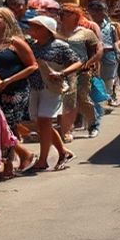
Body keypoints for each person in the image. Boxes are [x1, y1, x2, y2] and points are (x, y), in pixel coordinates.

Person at [0, 6, 38, 178]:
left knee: (9, 125)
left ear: (6, 20)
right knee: (0, 126)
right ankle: (23, 155)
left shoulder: (14, 42)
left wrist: (8, 81)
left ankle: (9, 166)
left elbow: (33, 65)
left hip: (15, 90)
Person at [27, 15, 81, 171]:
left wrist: (62, 73)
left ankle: (43, 160)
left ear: (47, 30)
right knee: (43, 124)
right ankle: (63, 152)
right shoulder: (32, 46)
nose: (32, 30)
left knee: (44, 121)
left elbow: (77, 61)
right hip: (35, 87)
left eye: (37, 27)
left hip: (52, 88)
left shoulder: (60, 45)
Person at [58, 3, 102, 139]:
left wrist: (90, 63)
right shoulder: (55, 32)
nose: (63, 15)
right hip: (63, 71)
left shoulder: (86, 33)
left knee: (82, 99)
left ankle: (93, 123)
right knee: (68, 99)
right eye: (62, 12)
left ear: (76, 15)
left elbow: (99, 50)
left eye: (67, 12)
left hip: (82, 72)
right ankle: (67, 130)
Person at [88, 0, 120, 103]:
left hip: (109, 55)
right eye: (99, 11)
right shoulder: (87, 26)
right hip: (92, 55)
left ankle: (105, 98)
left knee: (108, 79)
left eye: (104, 10)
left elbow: (117, 40)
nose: (103, 13)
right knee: (92, 78)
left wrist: (117, 50)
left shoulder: (111, 26)